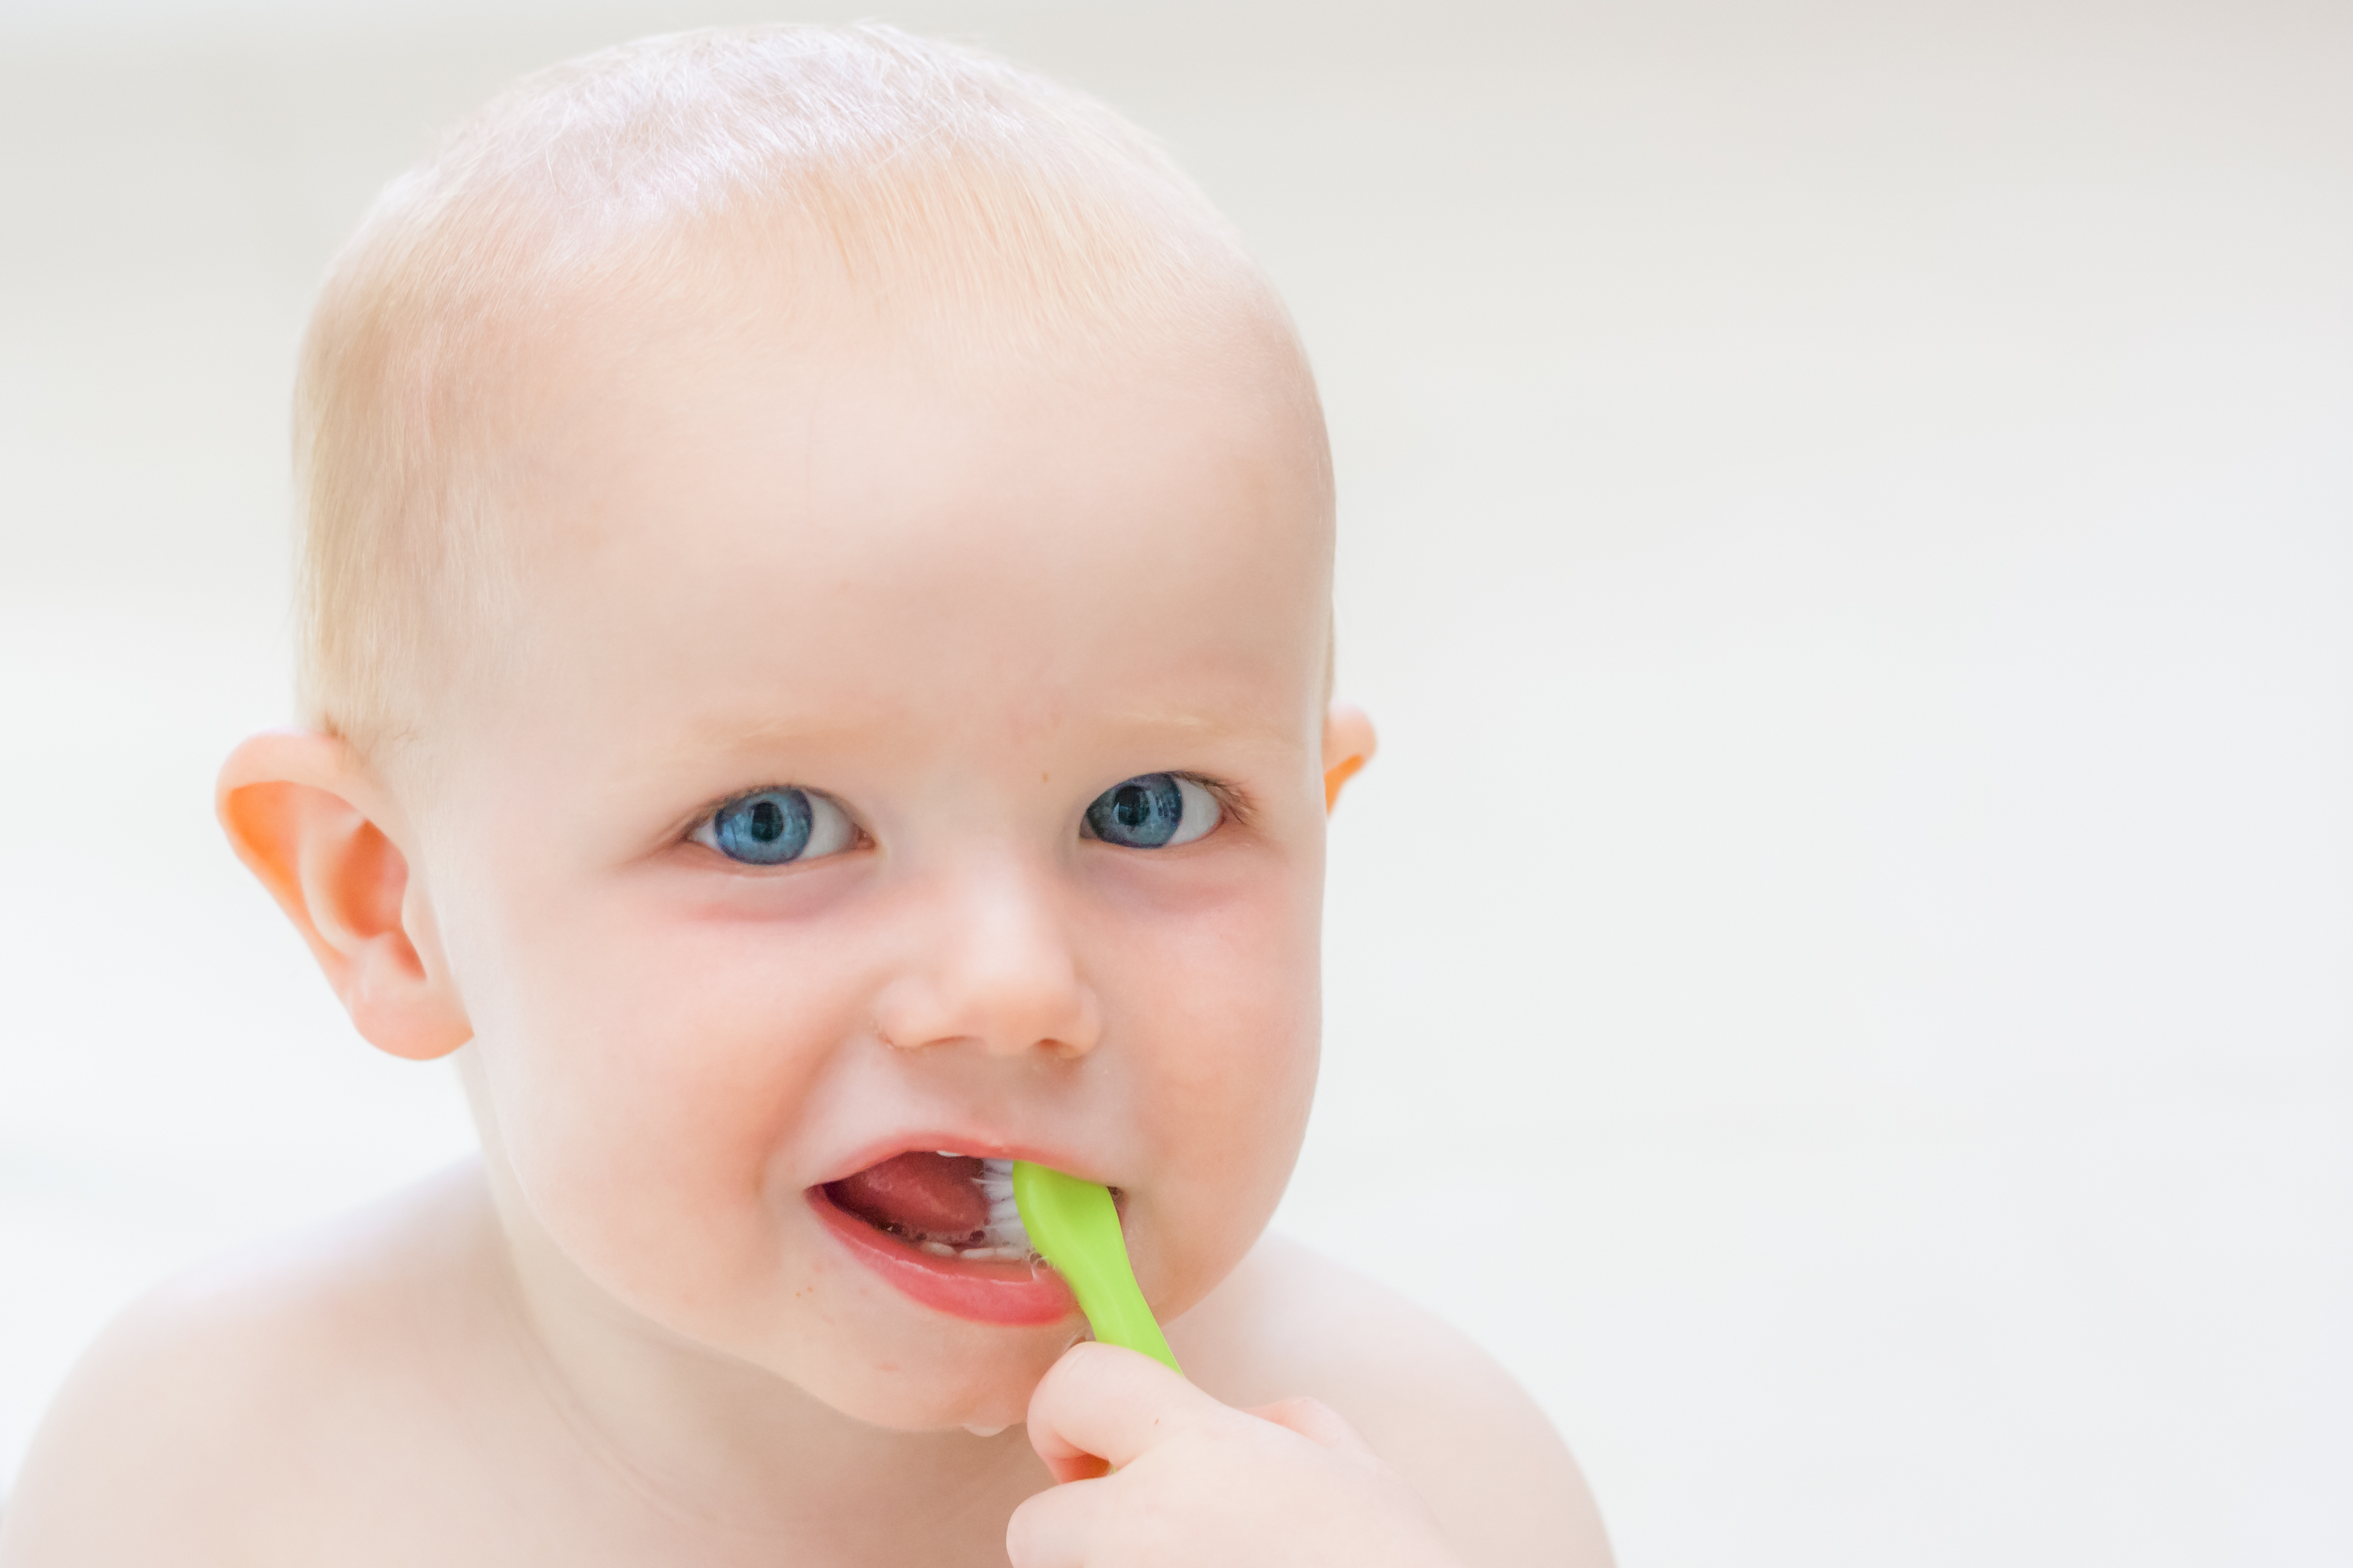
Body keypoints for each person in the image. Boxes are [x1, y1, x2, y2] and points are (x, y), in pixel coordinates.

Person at [0, 25, 1611, 1567]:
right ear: (386, 903)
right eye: (771, 824)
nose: (1012, 983)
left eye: (1151, 809)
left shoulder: (1429, 1487)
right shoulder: (216, 1477)